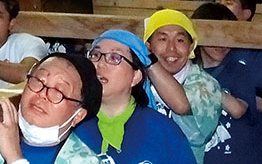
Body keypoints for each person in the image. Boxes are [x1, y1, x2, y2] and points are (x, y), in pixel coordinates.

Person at [0, 53, 103, 163]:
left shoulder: (86, 161)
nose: (43, 93)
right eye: (38, 80)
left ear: (78, 115)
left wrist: (15, 159)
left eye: (59, 91)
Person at [75, 30, 194, 163]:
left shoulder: (162, 131)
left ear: (135, 77)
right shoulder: (71, 122)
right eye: (95, 55)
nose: (100, 64)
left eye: (114, 57)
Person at [213, 0, 262, 163]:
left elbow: (260, 104)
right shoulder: (203, 48)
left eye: (229, 2)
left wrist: (209, 90)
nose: (220, 6)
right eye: (217, 1)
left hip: (250, 152)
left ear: (246, 14)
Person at [144, 9, 222, 163]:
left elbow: (181, 107)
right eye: (162, 39)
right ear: (148, 45)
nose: (171, 48)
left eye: (180, 40)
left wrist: (149, 61)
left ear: (191, 46)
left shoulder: (206, 85)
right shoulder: (135, 79)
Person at [191, 3, 260, 163]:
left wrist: (201, 82)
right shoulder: (186, 70)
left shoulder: (239, 71)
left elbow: (237, 110)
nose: (222, 44)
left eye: (227, 36)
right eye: (214, 36)